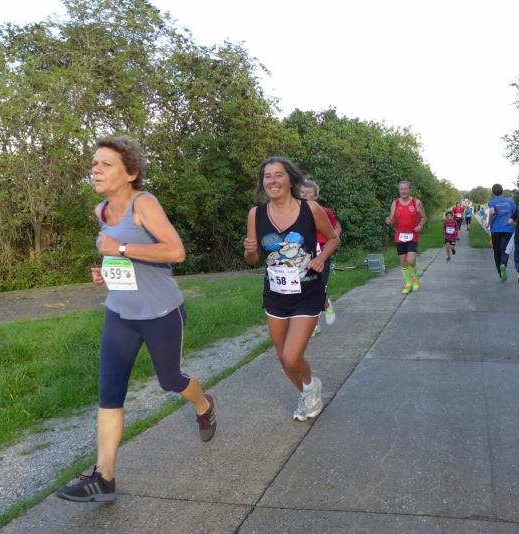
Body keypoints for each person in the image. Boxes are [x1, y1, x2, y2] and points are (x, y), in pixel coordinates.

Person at [56, 136, 217, 503]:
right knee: (110, 392)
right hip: (120, 313)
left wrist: (122, 248)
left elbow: (175, 251)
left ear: (130, 173)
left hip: (161, 313)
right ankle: (104, 477)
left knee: (171, 380)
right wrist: (106, 270)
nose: (96, 169)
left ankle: (204, 405)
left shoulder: (143, 203)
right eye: (94, 163)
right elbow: (120, 257)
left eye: (106, 164)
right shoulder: (101, 211)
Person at [244, 157, 339, 421]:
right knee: (282, 357)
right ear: (262, 182)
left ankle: (309, 386)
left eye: (279, 175)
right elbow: (253, 258)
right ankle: (308, 392)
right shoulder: (256, 214)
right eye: (267, 176)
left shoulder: (311, 209)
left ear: (290, 179)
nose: (272, 181)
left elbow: (333, 239)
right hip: (275, 293)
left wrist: (321, 258)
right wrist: (249, 251)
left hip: (307, 292)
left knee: (291, 356)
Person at [300, 180, 342, 337]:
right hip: (303, 255)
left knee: (317, 287)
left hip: (321, 254)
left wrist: (331, 242)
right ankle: (324, 306)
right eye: (302, 192)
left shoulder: (323, 211)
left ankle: (315, 323)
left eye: (308, 192)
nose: (304, 195)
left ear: (316, 196)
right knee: (304, 287)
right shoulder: (294, 213)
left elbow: (337, 227)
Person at [386, 180, 427, 295]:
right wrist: (389, 221)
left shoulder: (416, 202)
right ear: (399, 190)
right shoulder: (395, 203)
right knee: (403, 262)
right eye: (401, 189)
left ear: (410, 190)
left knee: (411, 260)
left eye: (405, 189)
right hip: (400, 236)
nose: (403, 191)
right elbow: (392, 219)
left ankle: (415, 279)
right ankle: (408, 284)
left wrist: (420, 225)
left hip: (412, 235)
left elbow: (424, 217)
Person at [486, 183, 516, 282]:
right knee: (505, 250)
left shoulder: (492, 202)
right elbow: (515, 215)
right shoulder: (511, 202)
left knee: (496, 251)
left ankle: (500, 273)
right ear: (502, 191)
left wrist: (489, 222)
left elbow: (491, 212)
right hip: (508, 229)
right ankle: (503, 264)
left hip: (496, 230)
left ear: (493, 192)